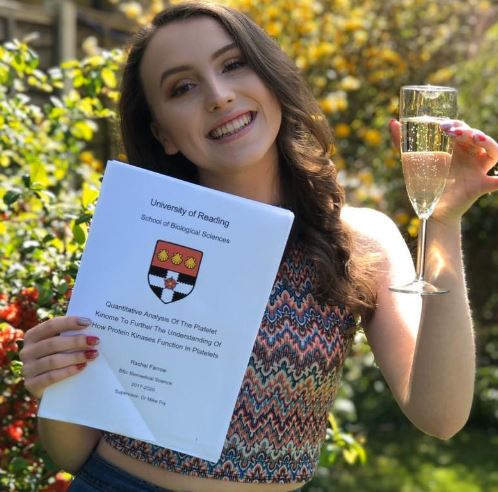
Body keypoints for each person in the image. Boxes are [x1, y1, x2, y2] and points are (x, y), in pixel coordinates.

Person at [20, 2, 498, 492]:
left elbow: (440, 415)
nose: (219, 96)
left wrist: (440, 219)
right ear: (162, 132)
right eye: (182, 87)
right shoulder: (143, 234)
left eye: (233, 64)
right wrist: (56, 383)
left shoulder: (359, 241)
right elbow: (72, 452)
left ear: (270, 79)